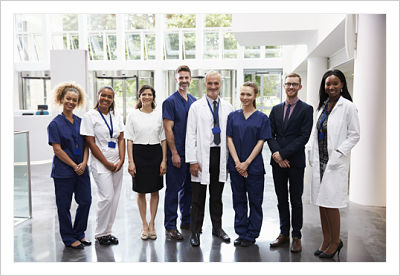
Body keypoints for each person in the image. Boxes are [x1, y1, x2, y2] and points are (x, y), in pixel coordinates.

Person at [309, 69, 360, 258]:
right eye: (328, 83)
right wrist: (310, 152)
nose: (331, 87)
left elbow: (355, 134)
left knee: (331, 204)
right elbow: (316, 133)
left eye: (335, 83)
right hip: (320, 162)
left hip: (334, 162)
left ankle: (336, 241)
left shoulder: (348, 107)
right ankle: (326, 239)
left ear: (342, 85)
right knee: (322, 203)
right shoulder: (322, 106)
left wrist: (339, 152)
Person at [185, 71, 234, 247]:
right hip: (201, 157)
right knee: (197, 199)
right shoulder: (196, 107)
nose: (213, 86)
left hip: (220, 156)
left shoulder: (228, 107)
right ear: (205, 84)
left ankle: (217, 228)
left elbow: (231, 136)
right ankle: (195, 232)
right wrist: (192, 160)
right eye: (210, 83)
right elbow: (190, 134)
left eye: (216, 83)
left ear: (221, 85)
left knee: (217, 197)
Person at [267, 73, 313, 253]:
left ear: (300, 87)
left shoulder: (306, 109)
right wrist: (277, 155)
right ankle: (283, 233)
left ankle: (297, 236)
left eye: (294, 84)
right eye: (288, 84)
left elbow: (304, 136)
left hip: (295, 162)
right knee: (281, 199)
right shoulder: (276, 109)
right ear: (284, 86)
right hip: (278, 163)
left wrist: (283, 154)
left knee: (296, 200)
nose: (291, 87)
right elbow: (269, 134)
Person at [226, 82, 272, 247]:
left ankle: (252, 234)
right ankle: (241, 232)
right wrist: (238, 162)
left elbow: (261, 141)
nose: (245, 98)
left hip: (254, 167)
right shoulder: (232, 116)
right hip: (235, 166)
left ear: (255, 96)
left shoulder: (262, 118)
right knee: (238, 200)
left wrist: (246, 163)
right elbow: (229, 138)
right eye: (242, 94)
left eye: (248, 95)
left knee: (254, 201)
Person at [47, 82, 91, 249]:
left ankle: (79, 233)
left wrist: (84, 163)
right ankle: (68, 237)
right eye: (68, 99)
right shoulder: (54, 124)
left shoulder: (81, 122)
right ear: (61, 99)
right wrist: (74, 165)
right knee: (64, 206)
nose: (71, 102)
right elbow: (57, 150)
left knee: (86, 201)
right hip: (63, 171)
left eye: (74, 99)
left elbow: (87, 144)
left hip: (82, 170)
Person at [80, 86, 125, 246]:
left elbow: (121, 138)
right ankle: (100, 233)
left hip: (117, 163)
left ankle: (108, 231)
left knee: (115, 198)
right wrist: (106, 163)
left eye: (109, 97)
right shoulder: (90, 116)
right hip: (100, 163)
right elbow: (90, 142)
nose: (106, 99)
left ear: (113, 99)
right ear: (98, 96)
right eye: (103, 95)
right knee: (106, 197)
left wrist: (122, 160)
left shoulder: (116, 116)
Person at [126, 85, 167, 241]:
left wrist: (164, 160)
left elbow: (163, 139)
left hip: (155, 153)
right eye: (144, 94)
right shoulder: (133, 115)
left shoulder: (159, 115)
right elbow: (129, 139)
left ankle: (152, 224)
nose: (147, 97)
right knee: (141, 191)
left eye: (149, 94)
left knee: (155, 191)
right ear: (139, 97)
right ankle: (144, 224)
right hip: (139, 153)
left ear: (153, 97)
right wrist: (131, 161)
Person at [162, 65, 197, 240]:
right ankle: (170, 226)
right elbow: (168, 129)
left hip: (191, 154)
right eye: (180, 78)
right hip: (177, 153)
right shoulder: (170, 102)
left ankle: (186, 220)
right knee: (173, 190)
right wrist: (174, 153)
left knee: (189, 189)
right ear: (176, 79)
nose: (184, 80)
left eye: (186, 77)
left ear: (190, 79)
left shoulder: (194, 100)